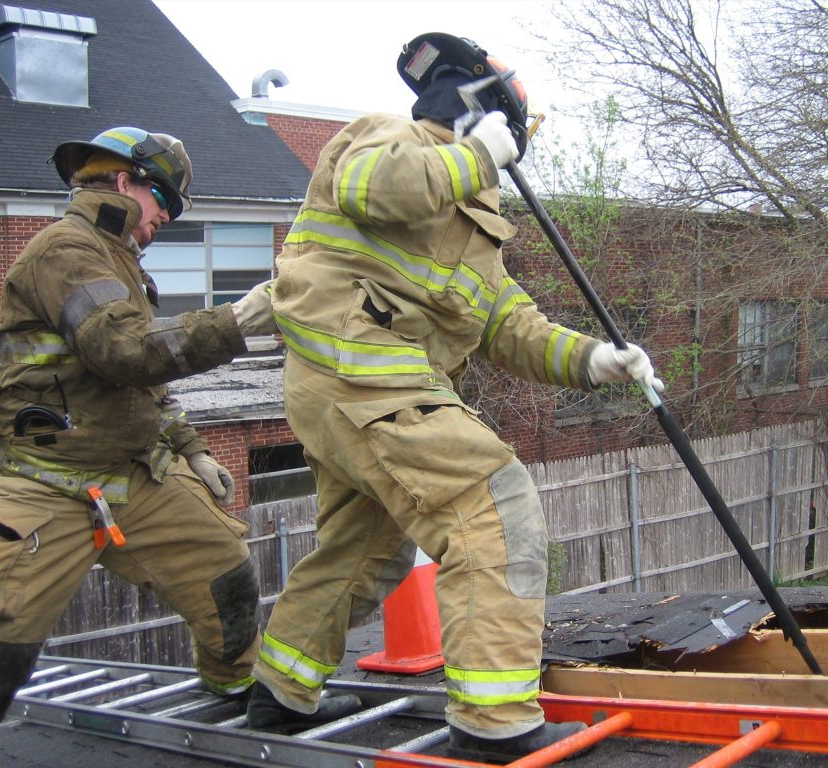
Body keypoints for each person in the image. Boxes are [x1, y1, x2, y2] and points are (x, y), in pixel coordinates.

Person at [245, 33, 663, 762]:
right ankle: (494, 723)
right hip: (362, 373)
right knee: (491, 509)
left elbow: (509, 323)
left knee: (363, 548)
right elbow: (373, 186)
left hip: (353, 391)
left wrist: (597, 360)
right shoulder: (389, 137)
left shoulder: (472, 226)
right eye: (506, 128)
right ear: (479, 108)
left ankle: (280, 690)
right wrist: (476, 151)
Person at [0, 126, 278, 747]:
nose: (167, 213)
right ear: (123, 181)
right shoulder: (66, 251)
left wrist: (191, 448)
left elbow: (141, 386)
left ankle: (231, 689)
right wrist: (240, 320)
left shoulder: (119, 260)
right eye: (163, 195)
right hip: (46, 486)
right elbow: (126, 353)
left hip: (135, 474)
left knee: (228, 577)